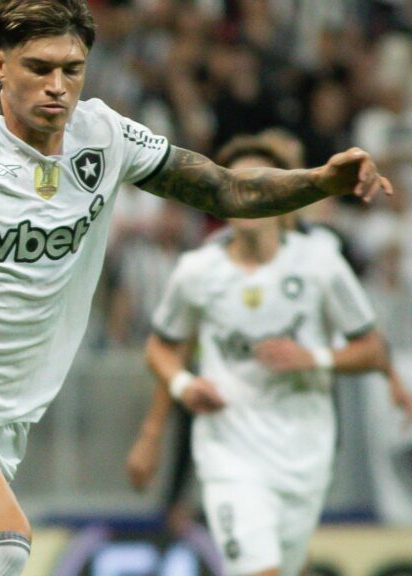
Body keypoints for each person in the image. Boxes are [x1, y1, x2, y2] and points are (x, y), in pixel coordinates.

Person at [0, 2, 393, 575]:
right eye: (39, 68)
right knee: (3, 542)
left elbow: (225, 190)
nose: (57, 86)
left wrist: (320, 181)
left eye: (72, 69)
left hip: (3, 421)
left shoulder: (105, 136)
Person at [131, 132, 407, 576]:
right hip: (229, 450)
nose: (248, 200)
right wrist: (178, 394)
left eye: (259, 189)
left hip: (305, 451)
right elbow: (164, 345)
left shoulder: (320, 263)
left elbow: (372, 348)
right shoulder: (198, 271)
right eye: (238, 189)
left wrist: (314, 357)